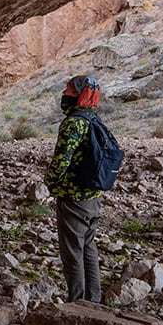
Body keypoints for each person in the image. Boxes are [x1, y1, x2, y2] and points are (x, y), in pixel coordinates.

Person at [46, 75, 104, 303]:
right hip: (92, 196)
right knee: (88, 249)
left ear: (79, 95)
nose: (64, 95)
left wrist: (50, 184)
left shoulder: (73, 123)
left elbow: (61, 161)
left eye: (69, 91)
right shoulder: (93, 119)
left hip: (73, 198)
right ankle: (94, 300)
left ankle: (78, 303)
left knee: (72, 253)